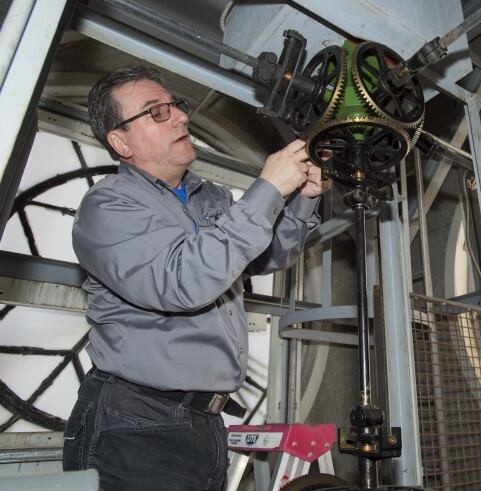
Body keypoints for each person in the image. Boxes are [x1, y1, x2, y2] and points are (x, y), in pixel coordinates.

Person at [61, 66, 329, 490]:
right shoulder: (107, 208)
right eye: (156, 112)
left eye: (176, 106)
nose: (180, 117)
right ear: (120, 141)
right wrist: (268, 189)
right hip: (137, 425)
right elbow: (184, 281)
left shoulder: (212, 197)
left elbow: (264, 256)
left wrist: (302, 202)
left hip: (205, 421)